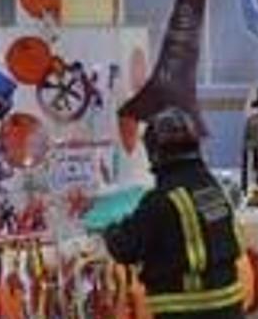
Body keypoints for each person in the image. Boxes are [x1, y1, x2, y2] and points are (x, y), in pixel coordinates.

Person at [103, 107, 245, 318]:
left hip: (188, 309)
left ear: (154, 151)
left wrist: (109, 230)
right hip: (229, 304)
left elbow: (124, 249)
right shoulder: (211, 187)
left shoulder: (162, 200)